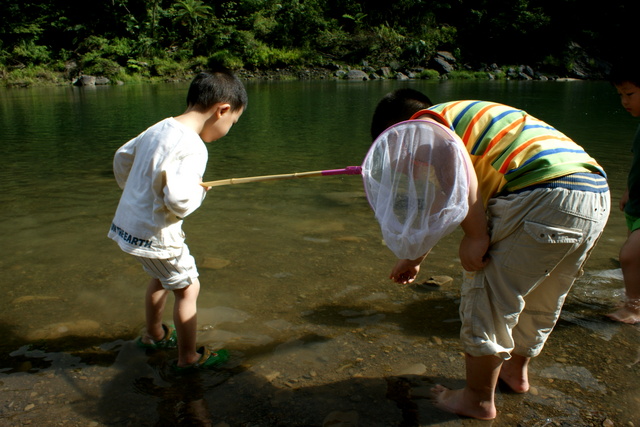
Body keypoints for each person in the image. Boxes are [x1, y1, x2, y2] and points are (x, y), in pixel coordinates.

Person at [370, 89, 610, 420]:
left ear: (399, 131)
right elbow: (449, 201)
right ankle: (515, 373)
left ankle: (477, 399)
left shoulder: (427, 123)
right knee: (543, 295)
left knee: (489, 299)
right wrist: (414, 257)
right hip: (593, 193)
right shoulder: (467, 125)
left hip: (539, 194)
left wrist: (476, 235)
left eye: (394, 147)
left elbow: (459, 184)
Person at [108, 68, 247, 370]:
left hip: (127, 225)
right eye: (232, 122)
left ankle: (154, 335)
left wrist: (135, 192)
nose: (228, 128)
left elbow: (122, 157)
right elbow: (179, 202)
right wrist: (201, 192)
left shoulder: (160, 127)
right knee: (188, 287)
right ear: (221, 110)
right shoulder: (194, 147)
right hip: (155, 234)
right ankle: (188, 358)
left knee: (160, 277)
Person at [607, 61, 640, 324]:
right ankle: (634, 297)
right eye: (621, 95)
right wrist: (629, 189)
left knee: (629, 255)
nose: (624, 101)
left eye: (630, 94)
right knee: (637, 258)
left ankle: (634, 309)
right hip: (636, 205)